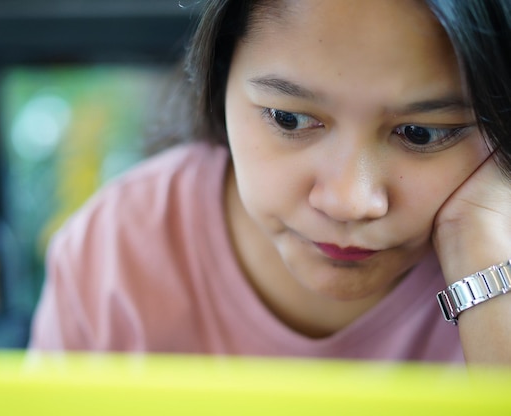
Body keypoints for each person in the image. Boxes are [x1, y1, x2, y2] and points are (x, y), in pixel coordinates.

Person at [29, 0, 511, 364]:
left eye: (421, 134)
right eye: (288, 119)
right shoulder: (116, 251)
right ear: (220, 82)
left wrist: (488, 272)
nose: (347, 202)